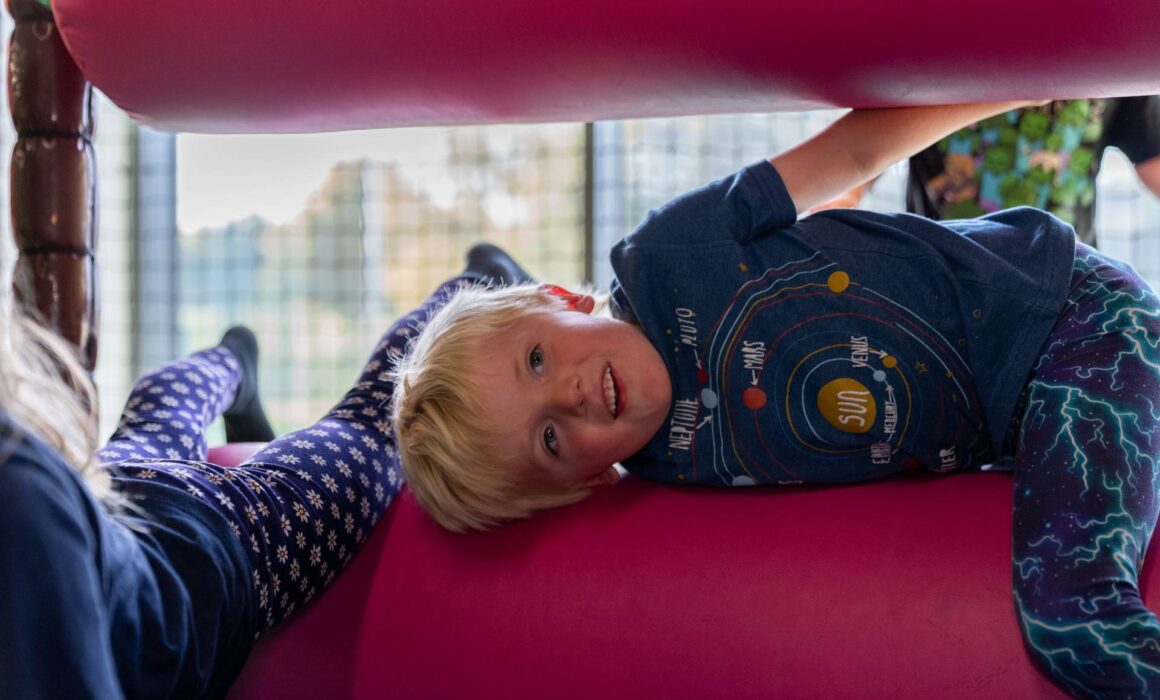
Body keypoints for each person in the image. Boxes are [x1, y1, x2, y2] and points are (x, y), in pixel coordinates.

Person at [391, 101, 1160, 698]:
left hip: (1066, 316)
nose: (571, 397)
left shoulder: (667, 257)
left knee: (1071, 616)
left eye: (537, 357)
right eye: (550, 440)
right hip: (1021, 424)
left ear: (560, 297)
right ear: (581, 483)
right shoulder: (668, 473)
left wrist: (1004, 91)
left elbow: (853, 154)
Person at [0, 243, 531, 699]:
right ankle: (234, 361)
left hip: (215, 530)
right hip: (119, 482)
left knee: (377, 422)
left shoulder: (21, 504)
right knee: (161, 404)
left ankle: (481, 279)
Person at [826, 98, 1160, 246]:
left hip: (1066, 275)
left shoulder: (1102, 43)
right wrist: (843, 197)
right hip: (942, 270)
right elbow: (873, 140)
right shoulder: (939, 29)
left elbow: (1151, 156)